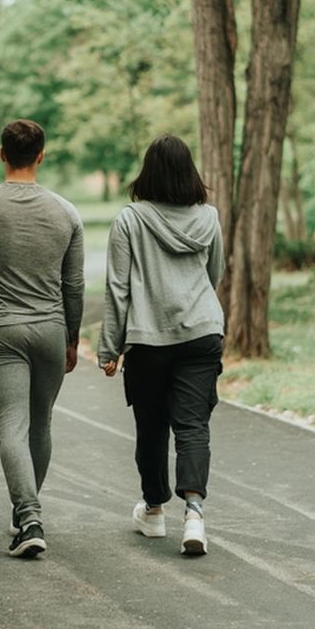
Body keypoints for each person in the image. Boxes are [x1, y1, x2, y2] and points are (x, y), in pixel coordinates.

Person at [0, 119, 85, 558]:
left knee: (12, 423)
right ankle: (27, 513)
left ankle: (28, 516)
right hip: (50, 328)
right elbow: (74, 285)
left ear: (2, 154)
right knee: (39, 423)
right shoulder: (66, 212)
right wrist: (71, 339)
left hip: (1, 331)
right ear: (41, 155)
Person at [97, 134, 225, 556]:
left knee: (151, 427)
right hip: (202, 332)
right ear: (190, 172)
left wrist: (109, 347)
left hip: (148, 339)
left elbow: (118, 288)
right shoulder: (209, 217)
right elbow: (214, 273)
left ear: (147, 172)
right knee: (193, 425)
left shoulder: (130, 220)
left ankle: (153, 511)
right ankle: (194, 515)